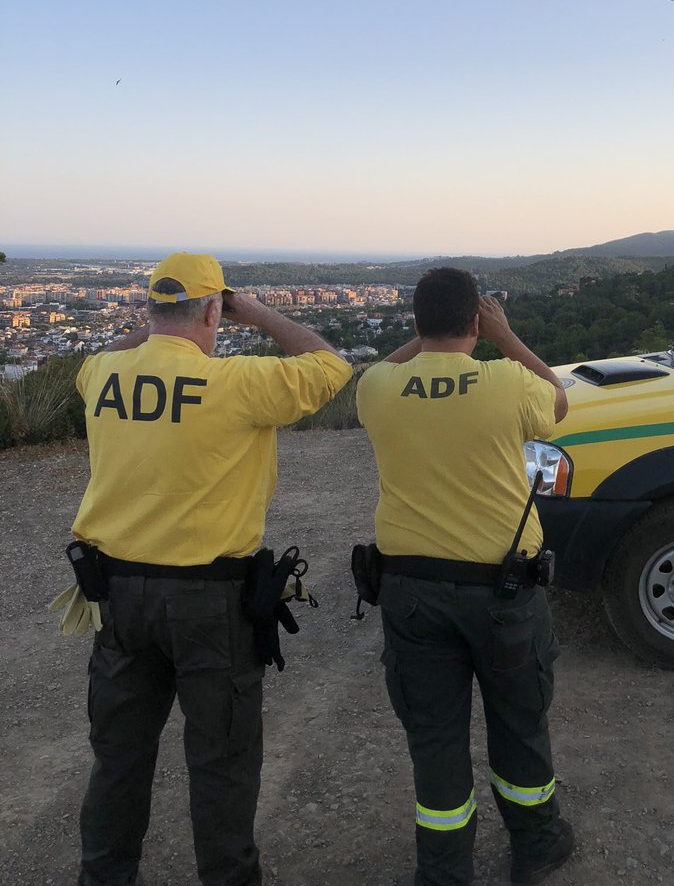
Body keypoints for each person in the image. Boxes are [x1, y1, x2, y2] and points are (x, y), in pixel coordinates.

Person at [68, 251, 352, 886]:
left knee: (118, 758)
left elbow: (113, 353)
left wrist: (156, 325)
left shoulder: (101, 376)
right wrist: (251, 310)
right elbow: (331, 365)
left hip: (116, 597)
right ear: (212, 310)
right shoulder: (238, 383)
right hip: (209, 605)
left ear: (150, 309)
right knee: (221, 761)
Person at [356, 268, 574, 886]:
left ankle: (445, 871)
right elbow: (557, 398)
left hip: (412, 595)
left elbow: (388, 370)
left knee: (435, 738)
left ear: (416, 323)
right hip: (504, 594)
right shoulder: (507, 382)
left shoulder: (378, 389)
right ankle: (535, 846)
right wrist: (506, 337)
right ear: (476, 324)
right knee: (519, 726)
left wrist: (421, 342)